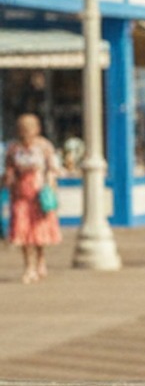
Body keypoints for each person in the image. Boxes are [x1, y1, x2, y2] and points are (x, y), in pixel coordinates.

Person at [4, 113, 62, 283]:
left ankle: (40, 260)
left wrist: (50, 186)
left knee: (38, 232)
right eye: (23, 129)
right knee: (23, 232)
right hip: (20, 194)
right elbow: (9, 169)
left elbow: (53, 168)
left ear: (37, 129)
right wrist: (9, 179)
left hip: (38, 193)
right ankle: (29, 266)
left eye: (29, 129)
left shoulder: (44, 147)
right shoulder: (14, 149)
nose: (26, 133)